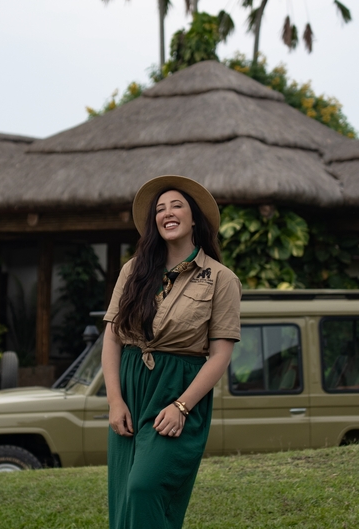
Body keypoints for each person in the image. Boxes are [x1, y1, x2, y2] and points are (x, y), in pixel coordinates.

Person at [102, 175, 241, 529]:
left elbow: (220, 354)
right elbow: (112, 338)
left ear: (194, 218)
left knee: (144, 487)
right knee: (123, 494)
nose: (167, 213)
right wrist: (115, 400)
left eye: (176, 205)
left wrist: (182, 406)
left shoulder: (221, 278)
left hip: (179, 391)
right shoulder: (133, 271)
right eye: (160, 209)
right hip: (132, 390)